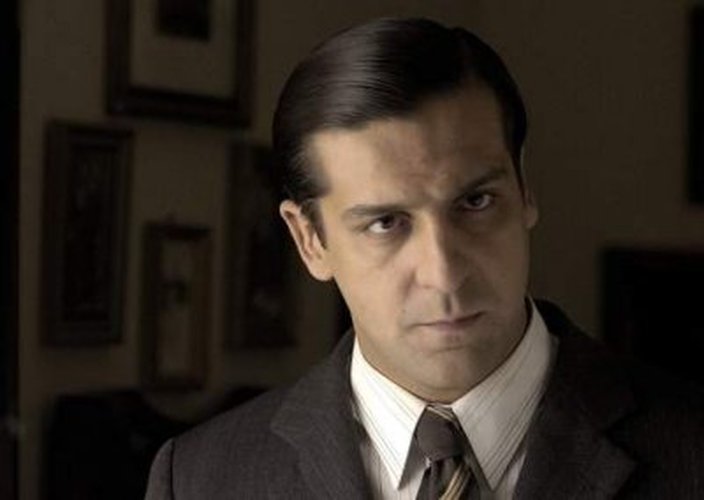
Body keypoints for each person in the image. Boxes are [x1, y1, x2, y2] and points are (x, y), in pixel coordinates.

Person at [145, 18, 704, 499]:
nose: (444, 274)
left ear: (525, 189)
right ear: (310, 239)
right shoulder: (198, 480)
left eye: (475, 202)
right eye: (386, 223)